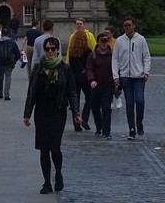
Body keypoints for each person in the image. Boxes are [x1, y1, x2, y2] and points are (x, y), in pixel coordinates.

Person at [23, 36, 80, 194]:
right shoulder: (38, 68)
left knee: (55, 148)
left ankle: (59, 174)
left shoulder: (65, 68)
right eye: (47, 49)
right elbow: (31, 92)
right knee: (43, 148)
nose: (49, 52)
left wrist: (76, 113)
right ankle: (46, 182)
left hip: (58, 111)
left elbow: (72, 92)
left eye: (52, 49)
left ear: (57, 50)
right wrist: (27, 114)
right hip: (41, 111)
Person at [112, 17, 150, 140]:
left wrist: (146, 72)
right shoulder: (119, 41)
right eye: (125, 25)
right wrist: (116, 76)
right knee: (129, 103)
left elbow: (146, 56)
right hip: (125, 76)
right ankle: (131, 129)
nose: (127, 27)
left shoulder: (141, 40)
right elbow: (115, 59)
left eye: (129, 25)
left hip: (138, 76)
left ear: (134, 26)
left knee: (140, 101)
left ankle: (139, 122)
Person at [86, 32, 115, 139]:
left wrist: (116, 80)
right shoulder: (92, 55)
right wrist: (92, 80)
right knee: (95, 107)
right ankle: (99, 127)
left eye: (105, 41)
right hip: (96, 85)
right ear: (98, 42)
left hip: (108, 85)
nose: (103, 43)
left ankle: (107, 131)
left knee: (107, 108)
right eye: (101, 41)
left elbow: (116, 68)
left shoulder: (112, 55)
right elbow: (89, 69)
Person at [66, 27, 93, 131]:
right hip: (85, 76)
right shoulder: (88, 51)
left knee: (74, 101)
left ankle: (76, 123)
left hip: (74, 77)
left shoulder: (72, 52)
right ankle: (84, 118)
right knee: (89, 98)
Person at [0, 29, 21, 101]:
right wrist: (14, 61)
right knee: (8, 78)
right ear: (8, 34)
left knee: (0, 78)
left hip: (0, 63)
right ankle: (6, 94)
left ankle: (0, 93)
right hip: (9, 63)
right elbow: (17, 54)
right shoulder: (12, 42)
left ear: (2, 34)